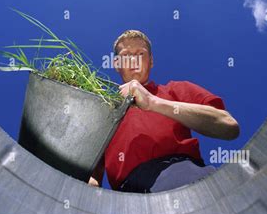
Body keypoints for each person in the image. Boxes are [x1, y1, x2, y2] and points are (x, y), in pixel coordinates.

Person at [89, 30, 240, 193]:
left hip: (185, 177)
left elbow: (229, 126)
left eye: (141, 53)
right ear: (117, 64)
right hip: (126, 197)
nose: (134, 60)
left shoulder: (176, 89)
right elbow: (94, 171)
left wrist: (154, 102)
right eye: (126, 55)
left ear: (151, 61)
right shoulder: (105, 110)